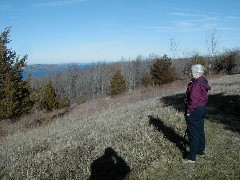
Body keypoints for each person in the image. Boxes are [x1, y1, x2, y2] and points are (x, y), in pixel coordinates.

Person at [183, 64, 211, 164]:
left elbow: (193, 100)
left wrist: (189, 112)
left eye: (192, 72)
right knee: (200, 130)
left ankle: (191, 157)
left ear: (197, 72)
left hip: (195, 110)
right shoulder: (203, 80)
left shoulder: (196, 85)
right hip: (202, 108)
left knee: (193, 133)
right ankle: (200, 151)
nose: (191, 73)